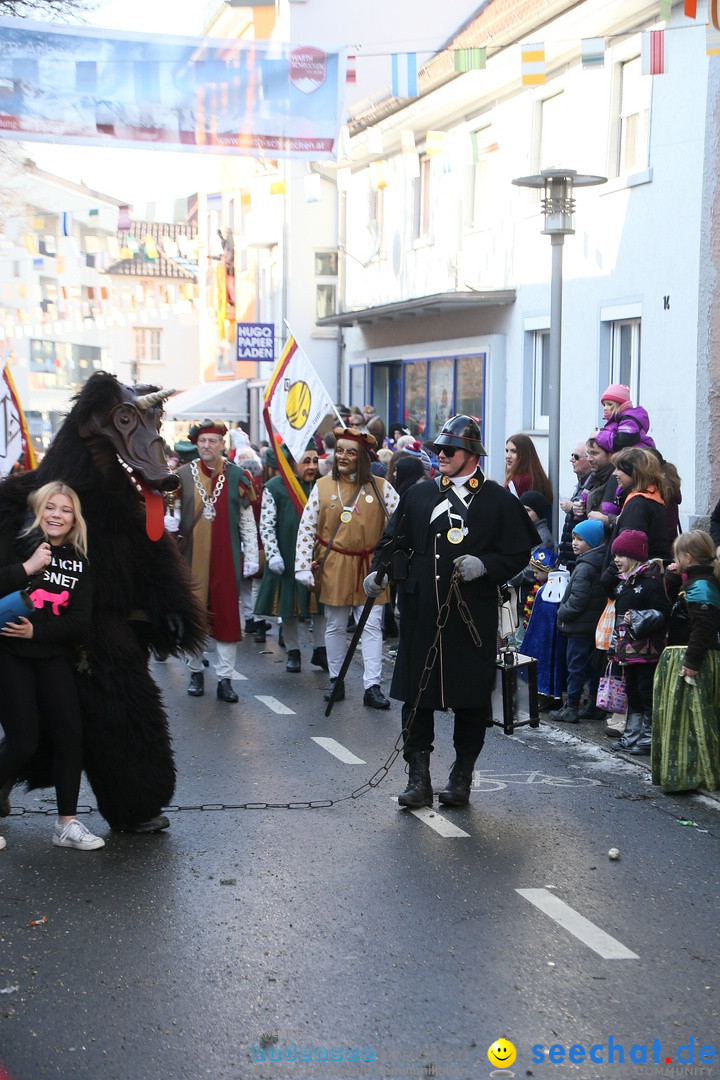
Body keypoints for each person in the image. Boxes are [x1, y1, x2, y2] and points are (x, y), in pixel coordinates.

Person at [366, 415, 539, 808]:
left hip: (470, 617)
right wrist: (379, 572)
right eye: (438, 449)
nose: (440, 455)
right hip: (421, 611)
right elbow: (394, 541)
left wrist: (487, 566)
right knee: (417, 696)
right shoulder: (419, 494)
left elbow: (516, 552)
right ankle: (418, 779)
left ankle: (461, 777)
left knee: (471, 699)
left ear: (472, 455)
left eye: (450, 450)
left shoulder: (496, 499)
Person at [0, 482, 104, 851]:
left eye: (65, 509)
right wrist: (27, 567)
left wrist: (36, 631)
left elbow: (80, 621)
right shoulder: (13, 543)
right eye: (51, 507)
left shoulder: (79, 560)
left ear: (75, 518)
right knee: (23, 743)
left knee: (70, 737)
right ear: (38, 509)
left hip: (50, 655)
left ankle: (66, 825)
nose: (57, 515)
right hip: (9, 656)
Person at [295, 426, 399, 708]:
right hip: (335, 564)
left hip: (371, 566)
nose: (342, 456)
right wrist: (303, 565)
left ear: (362, 457)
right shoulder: (323, 486)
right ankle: (336, 679)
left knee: (373, 626)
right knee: (335, 625)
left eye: (349, 452)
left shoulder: (381, 487)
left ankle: (372, 686)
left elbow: (400, 523)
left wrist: (396, 561)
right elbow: (307, 527)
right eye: (339, 450)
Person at [175, 420, 259, 703]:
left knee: (226, 616)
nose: (207, 446)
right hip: (191, 558)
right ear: (196, 445)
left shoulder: (237, 476)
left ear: (222, 444)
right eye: (202, 441)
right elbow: (173, 516)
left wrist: (251, 556)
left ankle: (225, 679)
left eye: (212, 441)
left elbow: (247, 520)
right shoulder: (182, 476)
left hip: (227, 557)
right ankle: (195, 671)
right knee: (194, 615)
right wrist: (170, 523)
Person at [652, 530, 720, 792]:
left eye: (677, 555)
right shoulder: (695, 581)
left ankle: (693, 775)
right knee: (685, 719)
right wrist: (671, 575)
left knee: (693, 721)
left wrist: (691, 661)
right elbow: (677, 606)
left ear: (687, 557)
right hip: (684, 653)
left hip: (692, 658)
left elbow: (703, 626)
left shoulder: (701, 586)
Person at [254, 442, 327, 674]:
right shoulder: (275, 487)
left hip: (318, 555)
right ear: (292, 463)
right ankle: (293, 651)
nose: (313, 466)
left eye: (315, 460)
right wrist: (273, 553)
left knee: (321, 606)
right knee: (289, 605)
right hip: (287, 553)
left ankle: (321, 650)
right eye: (307, 461)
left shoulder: (323, 486)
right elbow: (266, 524)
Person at [602, 529, 670, 755]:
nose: (616, 561)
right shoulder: (623, 585)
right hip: (627, 652)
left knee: (645, 693)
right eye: (614, 556)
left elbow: (663, 613)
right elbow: (617, 621)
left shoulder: (650, 583)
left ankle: (647, 737)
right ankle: (631, 736)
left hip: (647, 652)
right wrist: (614, 649)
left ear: (634, 557)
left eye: (620, 556)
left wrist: (638, 618)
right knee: (632, 693)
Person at [550, 518, 608, 723]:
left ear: (592, 542)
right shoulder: (599, 561)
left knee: (575, 667)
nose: (574, 543)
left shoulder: (584, 567)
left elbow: (578, 600)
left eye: (580, 539)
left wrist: (561, 613)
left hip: (579, 627)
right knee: (593, 667)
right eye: (573, 538)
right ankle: (594, 704)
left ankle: (571, 707)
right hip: (592, 626)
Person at [604, 447, 670, 566]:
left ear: (633, 472)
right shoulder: (653, 497)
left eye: (619, 468)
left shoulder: (637, 505)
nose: (614, 473)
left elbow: (627, 552)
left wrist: (606, 579)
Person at [518, 546, 565, 711]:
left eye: (537, 571)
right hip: (540, 634)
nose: (534, 575)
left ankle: (546, 695)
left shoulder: (549, 590)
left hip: (546, 637)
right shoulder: (545, 588)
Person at [557, 440, 593, 569]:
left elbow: (588, 514)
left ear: (589, 460)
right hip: (572, 556)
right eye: (572, 455)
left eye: (576, 456)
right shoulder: (582, 481)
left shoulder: (592, 483)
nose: (572, 460)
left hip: (580, 557)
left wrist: (572, 508)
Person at [595, 383, 655, 453]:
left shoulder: (629, 420)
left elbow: (622, 442)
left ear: (621, 405)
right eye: (604, 404)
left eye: (609, 404)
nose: (605, 408)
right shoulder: (616, 420)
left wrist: (599, 435)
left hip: (637, 458)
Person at [504, 433, 553, 504]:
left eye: (514, 451)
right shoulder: (537, 476)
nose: (508, 456)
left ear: (525, 454)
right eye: (507, 451)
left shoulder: (522, 480)